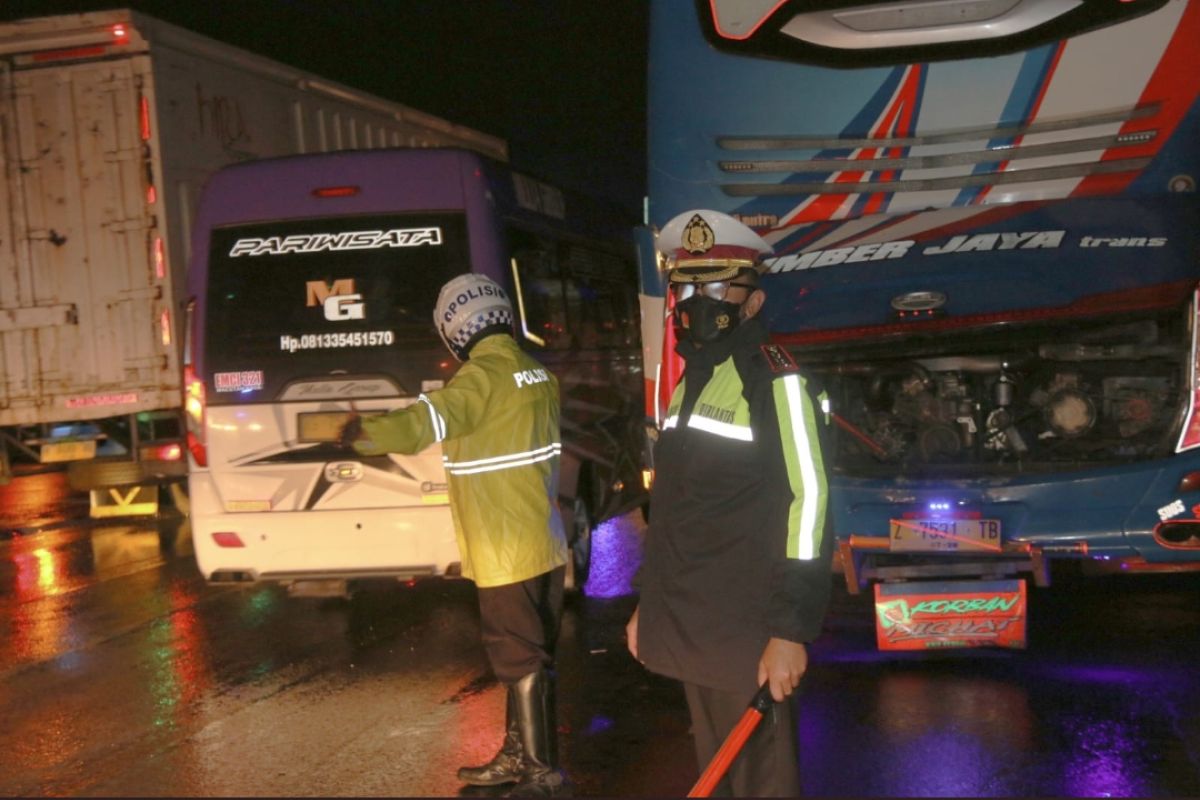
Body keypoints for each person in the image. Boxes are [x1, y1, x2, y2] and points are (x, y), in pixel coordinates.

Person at [625, 209, 834, 797]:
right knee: (720, 774)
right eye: (687, 287)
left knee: (761, 779)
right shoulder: (691, 379)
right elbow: (675, 511)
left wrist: (789, 631)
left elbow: (809, 505)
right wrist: (652, 605)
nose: (698, 300)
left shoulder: (777, 382)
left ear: (753, 301)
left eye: (718, 287)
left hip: (749, 628)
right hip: (695, 622)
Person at [339, 273, 569, 797]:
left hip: (504, 544)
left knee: (518, 653)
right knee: (532, 651)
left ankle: (540, 771)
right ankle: (520, 755)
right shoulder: (536, 374)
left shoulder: (478, 381)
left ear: (456, 331)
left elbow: (426, 421)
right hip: (543, 538)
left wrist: (363, 434)